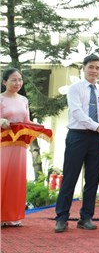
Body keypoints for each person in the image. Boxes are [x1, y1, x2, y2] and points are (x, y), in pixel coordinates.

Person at [54, 54, 99, 233]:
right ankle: (61, 218)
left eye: (97, 68)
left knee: (93, 179)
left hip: (96, 139)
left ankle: (86, 217)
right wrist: (97, 126)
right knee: (70, 177)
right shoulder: (75, 88)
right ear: (84, 68)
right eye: (91, 67)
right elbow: (77, 112)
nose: (94, 71)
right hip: (77, 136)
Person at [0, 68, 33, 228]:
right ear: (4, 82)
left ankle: (11, 216)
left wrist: (40, 128)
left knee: (15, 179)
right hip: (3, 144)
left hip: (19, 145)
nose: (17, 83)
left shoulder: (24, 100)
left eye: (20, 79)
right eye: (13, 80)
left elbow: (27, 121)